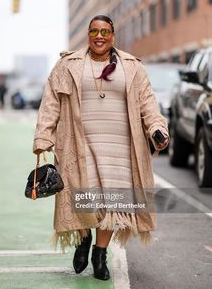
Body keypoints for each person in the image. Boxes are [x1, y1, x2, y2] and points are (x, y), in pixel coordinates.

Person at [33, 15, 169, 281]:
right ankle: (83, 240)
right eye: (94, 31)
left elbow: (148, 105)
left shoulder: (132, 67)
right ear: (88, 35)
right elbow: (51, 102)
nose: (99, 36)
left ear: (113, 36)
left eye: (105, 32)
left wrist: (157, 129)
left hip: (120, 147)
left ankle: (99, 253)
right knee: (85, 199)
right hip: (78, 143)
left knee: (110, 205)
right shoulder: (68, 65)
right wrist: (43, 137)